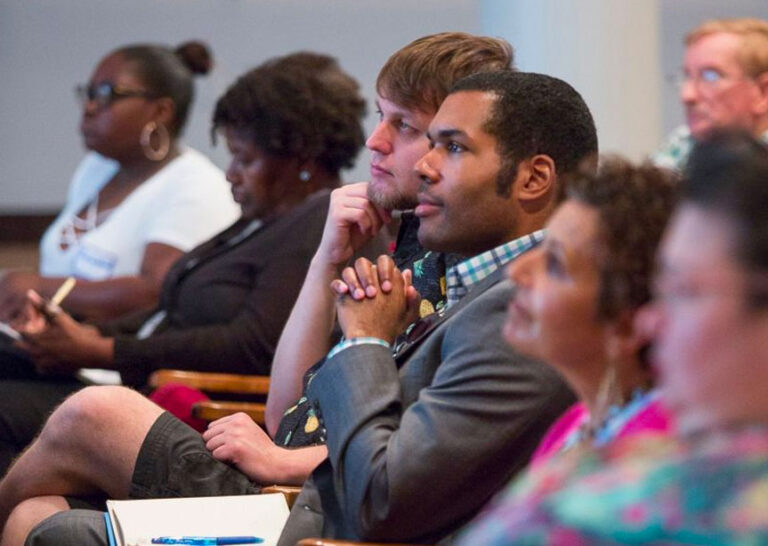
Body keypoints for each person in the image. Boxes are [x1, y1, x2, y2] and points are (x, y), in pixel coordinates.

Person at [0, 69, 597, 546]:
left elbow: (385, 498)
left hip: (318, 520)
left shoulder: (527, 307)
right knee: (39, 513)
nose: (424, 165)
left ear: (533, 178)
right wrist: (326, 271)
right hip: (301, 495)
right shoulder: (448, 273)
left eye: (450, 145)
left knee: (92, 418)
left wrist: (363, 341)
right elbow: (294, 415)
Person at [0, 51, 367, 476]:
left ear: (300, 160)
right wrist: (78, 333)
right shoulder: (256, 223)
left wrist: (103, 350)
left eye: (244, 159)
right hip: (143, 391)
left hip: (200, 419)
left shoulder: (319, 225)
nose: (230, 173)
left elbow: (250, 344)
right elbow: (166, 310)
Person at [457, 130, 768, 544]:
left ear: (621, 319)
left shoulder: (644, 489)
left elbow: (389, 497)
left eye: (685, 291)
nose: (652, 322)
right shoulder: (580, 424)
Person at [264, 32, 515, 435]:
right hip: (294, 484)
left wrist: (278, 465)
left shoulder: (487, 269)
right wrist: (326, 261)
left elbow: (419, 453)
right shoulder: (412, 235)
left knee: (120, 413)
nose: (374, 141)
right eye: (381, 116)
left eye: (405, 125)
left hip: (322, 492)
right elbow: (284, 417)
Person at [0, 41, 239, 323]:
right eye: (88, 93)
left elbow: (154, 292)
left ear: (160, 111)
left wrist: (40, 287)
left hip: (110, 361)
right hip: (48, 347)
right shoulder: (96, 168)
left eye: (106, 94)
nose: (89, 107)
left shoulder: (197, 187)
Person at [505, 159, 676, 466]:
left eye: (555, 264)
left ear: (626, 326)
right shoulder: (580, 420)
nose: (516, 271)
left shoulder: (649, 454)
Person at [654, 18, 768, 170]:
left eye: (710, 77)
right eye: (687, 76)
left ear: (762, 92)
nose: (687, 96)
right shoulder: (682, 146)